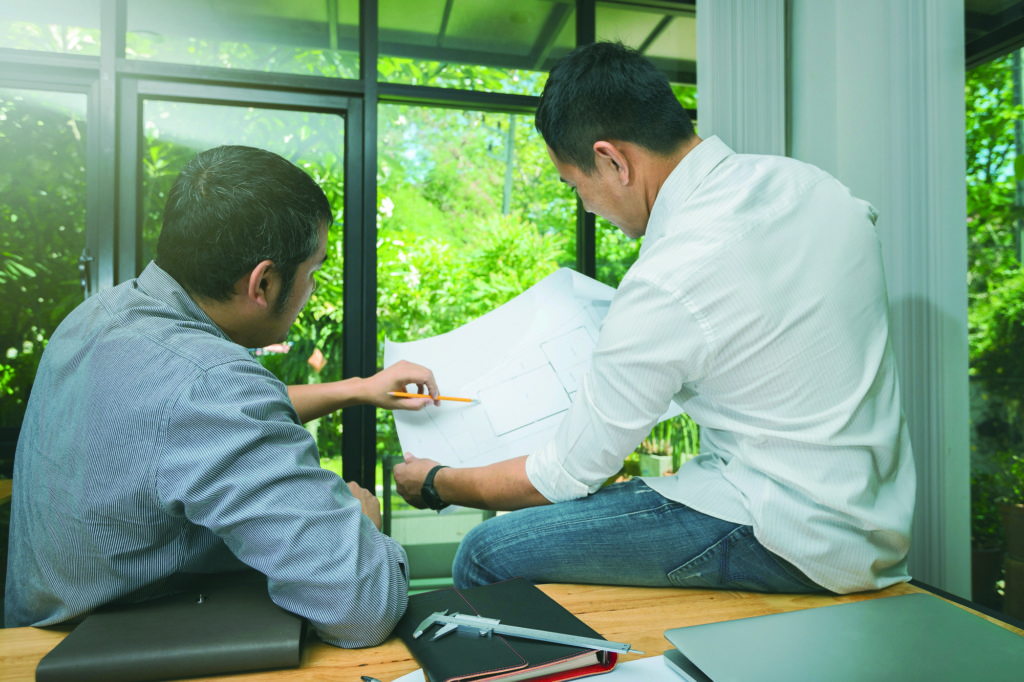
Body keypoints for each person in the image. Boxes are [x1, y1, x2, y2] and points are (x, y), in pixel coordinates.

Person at [394, 42, 916, 596]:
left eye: (576, 186)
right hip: (872, 525)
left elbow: (564, 474)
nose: (587, 206)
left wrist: (436, 482)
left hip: (786, 535)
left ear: (613, 161)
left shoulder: (670, 276)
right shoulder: (816, 188)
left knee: (486, 553)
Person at [6, 145, 441, 648]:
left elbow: (185, 419)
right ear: (264, 282)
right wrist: (364, 527)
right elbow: (361, 609)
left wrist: (358, 389)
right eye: (313, 272)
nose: (312, 289)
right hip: (119, 649)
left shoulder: (99, 316)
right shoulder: (213, 388)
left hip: (32, 633)